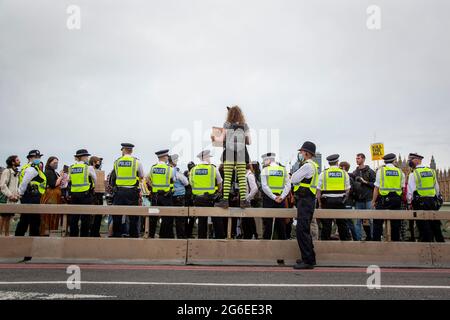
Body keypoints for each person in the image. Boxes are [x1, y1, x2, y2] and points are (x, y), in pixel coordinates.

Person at [213, 106, 251, 208]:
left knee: (228, 178)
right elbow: (249, 141)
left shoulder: (226, 124)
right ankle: (243, 201)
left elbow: (221, 139)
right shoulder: (245, 125)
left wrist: (215, 136)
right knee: (242, 178)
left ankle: (225, 201)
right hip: (241, 153)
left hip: (229, 152)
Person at [291, 141, 319, 269]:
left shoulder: (307, 166)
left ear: (307, 153)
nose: (300, 154)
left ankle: (307, 261)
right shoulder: (312, 165)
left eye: (302, 152)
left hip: (305, 200)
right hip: (308, 200)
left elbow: (294, 179)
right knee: (305, 230)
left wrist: (294, 174)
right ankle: (309, 258)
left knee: (302, 230)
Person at [406, 153, 444, 242]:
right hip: (432, 202)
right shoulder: (432, 171)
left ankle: (426, 245)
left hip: (420, 203)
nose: (409, 162)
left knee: (423, 226)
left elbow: (410, 192)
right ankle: (441, 246)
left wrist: (409, 203)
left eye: (411, 160)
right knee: (435, 225)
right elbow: (437, 188)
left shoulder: (413, 174)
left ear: (417, 160)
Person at [111, 143, 144, 238]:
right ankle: (133, 236)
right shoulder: (137, 162)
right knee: (133, 216)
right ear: (132, 150)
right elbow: (141, 176)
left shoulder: (117, 162)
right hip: (132, 192)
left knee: (117, 215)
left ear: (123, 150)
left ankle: (116, 236)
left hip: (119, 192)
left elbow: (116, 175)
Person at [190, 150, 225, 239]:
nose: (210, 159)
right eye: (209, 157)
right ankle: (219, 239)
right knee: (216, 219)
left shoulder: (193, 170)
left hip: (198, 199)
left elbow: (191, 183)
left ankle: (202, 240)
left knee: (202, 221)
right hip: (211, 199)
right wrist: (218, 192)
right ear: (206, 157)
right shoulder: (213, 168)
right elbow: (220, 182)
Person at [316, 154, 351, 241]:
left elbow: (318, 191)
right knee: (342, 224)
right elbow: (347, 190)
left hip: (327, 202)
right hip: (340, 201)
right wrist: (344, 200)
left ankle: (325, 245)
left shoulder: (323, 173)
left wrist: (320, 203)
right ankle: (345, 244)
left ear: (328, 163)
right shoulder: (344, 173)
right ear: (337, 162)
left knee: (326, 225)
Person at [372, 153, 405, 241]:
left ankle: (376, 242)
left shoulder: (381, 171)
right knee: (396, 224)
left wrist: (373, 201)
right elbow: (402, 187)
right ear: (394, 161)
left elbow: (376, 188)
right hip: (396, 200)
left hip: (383, 200)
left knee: (378, 223)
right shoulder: (400, 172)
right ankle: (395, 243)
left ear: (385, 161)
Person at [16, 150, 47, 236]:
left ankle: (19, 237)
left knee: (25, 219)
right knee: (33, 220)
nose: (38, 159)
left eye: (39, 157)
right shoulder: (32, 168)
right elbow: (24, 182)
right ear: (30, 158)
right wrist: (20, 193)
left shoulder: (27, 167)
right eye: (36, 157)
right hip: (31, 196)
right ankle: (33, 239)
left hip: (30, 196)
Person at [260, 153, 291, 240]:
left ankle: (266, 245)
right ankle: (282, 245)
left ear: (268, 160)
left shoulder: (265, 170)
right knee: (281, 224)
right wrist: (281, 197)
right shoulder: (283, 170)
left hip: (269, 199)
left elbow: (264, 186)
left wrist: (274, 197)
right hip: (281, 199)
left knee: (268, 224)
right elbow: (288, 185)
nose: (264, 163)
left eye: (265, 161)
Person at [148, 149, 176, 238]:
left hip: (155, 196)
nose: (168, 158)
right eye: (167, 156)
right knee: (167, 217)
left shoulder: (153, 167)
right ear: (164, 157)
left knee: (153, 217)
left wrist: (152, 186)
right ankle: (163, 236)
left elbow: (147, 178)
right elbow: (173, 180)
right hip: (166, 196)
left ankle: (151, 235)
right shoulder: (169, 169)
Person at [68, 149, 97, 237]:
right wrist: (93, 187)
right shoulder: (88, 167)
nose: (87, 158)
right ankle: (84, 237)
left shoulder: (71, 167)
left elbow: (69, 179)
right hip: (85, 195)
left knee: (74, 217)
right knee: (85, 217)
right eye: (86, 156)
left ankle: (73, 236)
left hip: (74, 195)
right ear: (83, 157)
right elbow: (95, 179)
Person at [352, 153, 376, 241]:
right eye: (356, 158)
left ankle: (374, 239)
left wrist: (365, 182)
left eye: (358, 158)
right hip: (358, 200)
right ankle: (358, 240)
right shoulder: (355, 172)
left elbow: (375, 185)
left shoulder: (370, 171)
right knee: (357, 222)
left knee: (371, 220)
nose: (356, 160)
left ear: (363, 159)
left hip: (368, 199)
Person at [41, 156, 64, 236]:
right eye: (54, 163)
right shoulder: (48, 172)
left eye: (57, 163)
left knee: (54, 215)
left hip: (55, 197)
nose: (56, 164)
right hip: (50, 197)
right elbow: (53, 184)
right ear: (49, 163)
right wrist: (61, 177)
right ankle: (46, 233)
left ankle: (52, 232)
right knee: (49, 215)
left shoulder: (54, 172)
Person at [169, 154, 189, 238]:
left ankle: (169, 236)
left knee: (169, 218)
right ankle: (180, 237)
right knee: (180, 219)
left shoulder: (166, 170)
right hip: (178, 197)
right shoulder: (176, 171)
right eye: (176, 160)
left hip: (168, 196)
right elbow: (186, 182)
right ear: (173, 161)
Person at [0, 155, 21, 236]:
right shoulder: (7, 171)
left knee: (8, 218)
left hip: (12, 198)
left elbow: (15, 186)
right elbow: (2, 185)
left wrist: (17, 194)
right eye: (17, 160)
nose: (19, 161)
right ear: (12, 162)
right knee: (3, 217)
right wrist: (10, 195)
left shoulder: (15, 172)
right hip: (6, 198)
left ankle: (6, 235)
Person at [339, 161, 358, 240]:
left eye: (340, 167)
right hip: (345, 201)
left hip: (347, 201)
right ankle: (348, 238)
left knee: (348, 221)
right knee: (345, 221)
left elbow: (350, 190)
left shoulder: (347, 177)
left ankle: (354, 239)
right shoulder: (345, 176)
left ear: (343, 168)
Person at [240, 163, 259, 239]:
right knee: (247, 221)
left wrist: (247, 199)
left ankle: (250, 236)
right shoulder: (246, 175)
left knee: (247, 221)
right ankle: (251, 235)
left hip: (246, 202)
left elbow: (255, 189)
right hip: (244, 202)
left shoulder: (249, 175)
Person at [89, 156, 105, 237]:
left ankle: (96, 232)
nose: (99, 163)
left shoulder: (100, 172)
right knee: (92, 216)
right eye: (98, 162)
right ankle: (92, 232)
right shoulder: (90, 171)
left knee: (98, 215)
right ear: (93, 162)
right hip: (93, 196)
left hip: (99, 195)